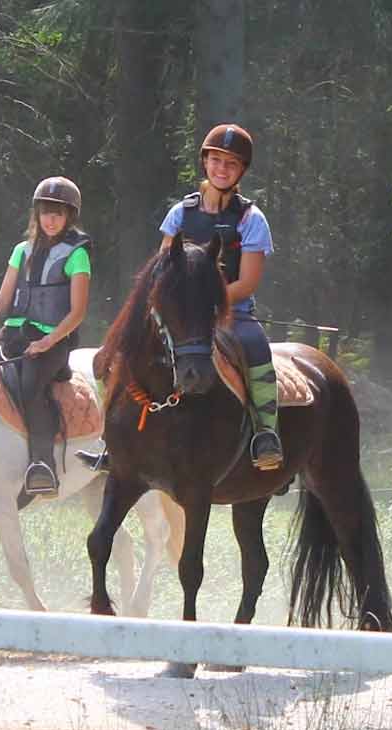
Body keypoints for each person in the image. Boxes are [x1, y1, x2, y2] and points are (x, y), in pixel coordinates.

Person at [166, 123, 281, 470]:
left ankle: (265, 432)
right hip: (181, 314)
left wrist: (207, 302)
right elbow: (164, 268)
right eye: (216, 160)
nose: (221, 168)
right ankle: (117, 438)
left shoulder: (251, 218)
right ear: (205, 162)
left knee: (256, 347)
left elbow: (246, 282)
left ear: (241, 170)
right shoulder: (179, 214)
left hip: (233, 313)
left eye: (231, 163)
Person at [0, 176, 92, 500]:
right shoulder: (20, 251)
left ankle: (43, 465)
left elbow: (77, 312)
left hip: (53, 340)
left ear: (69, 217)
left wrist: (48, 342)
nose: (51, 219)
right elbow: (2, 299)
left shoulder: (77, 255)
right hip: (13, 331)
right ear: (37, 214)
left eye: (58, 213)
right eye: (45, 212)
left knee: (28, 386)